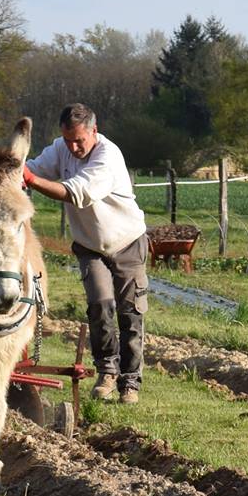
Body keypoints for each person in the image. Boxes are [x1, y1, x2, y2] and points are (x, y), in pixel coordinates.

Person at [23, 103, 149, 403]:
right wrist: (11, 170)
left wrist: (30, 181)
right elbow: (33, 167)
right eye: (68, 140)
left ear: (94, 130)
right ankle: (107, 370)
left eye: (80, 139)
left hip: (127, 242)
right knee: (100, 306)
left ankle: (130, 382)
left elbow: (77, 193)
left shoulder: (108, 156)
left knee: (130, 312)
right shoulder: (60, 148)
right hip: (90, 246)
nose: (74, 147)